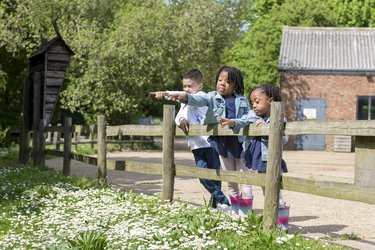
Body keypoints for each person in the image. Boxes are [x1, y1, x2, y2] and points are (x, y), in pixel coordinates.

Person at [165, 66, 258, 216]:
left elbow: (249, 116)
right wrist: (181, 95)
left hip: (240, 144)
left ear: (235, 85)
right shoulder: (211, 97)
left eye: (227, 81)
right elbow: (195, 98)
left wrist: (237, 122)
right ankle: (234, 211)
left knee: (244, 179)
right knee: (230, 180)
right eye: (220, 80)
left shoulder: (241, 100)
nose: (222, 83)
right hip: (222, 145)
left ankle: (246, 215)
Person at [154, 69, 231, 209]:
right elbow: (179, 115)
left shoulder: (203, 97)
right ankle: (224, 202)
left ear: (200, 86)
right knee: (203, 176)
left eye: (190, 86)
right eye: (185, 86)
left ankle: (217, 206)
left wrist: (171, 94)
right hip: (196, 145)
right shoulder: (185, 103)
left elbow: (183, 97)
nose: (187, 89)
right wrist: (166, 95)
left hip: (210, 143)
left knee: (215, 176)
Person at [243, 83, 289, 231]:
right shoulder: (254, 116)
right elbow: (245, 117)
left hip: (271, 160)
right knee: (265, 190)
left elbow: (284, 139)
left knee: (275, 191)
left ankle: (282, 226)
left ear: (270, 101)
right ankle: (270, 220)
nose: (254, 106)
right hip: (259, 160)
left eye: (257, 101)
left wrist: (266, 127)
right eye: (252, 102)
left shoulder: (279, 117)